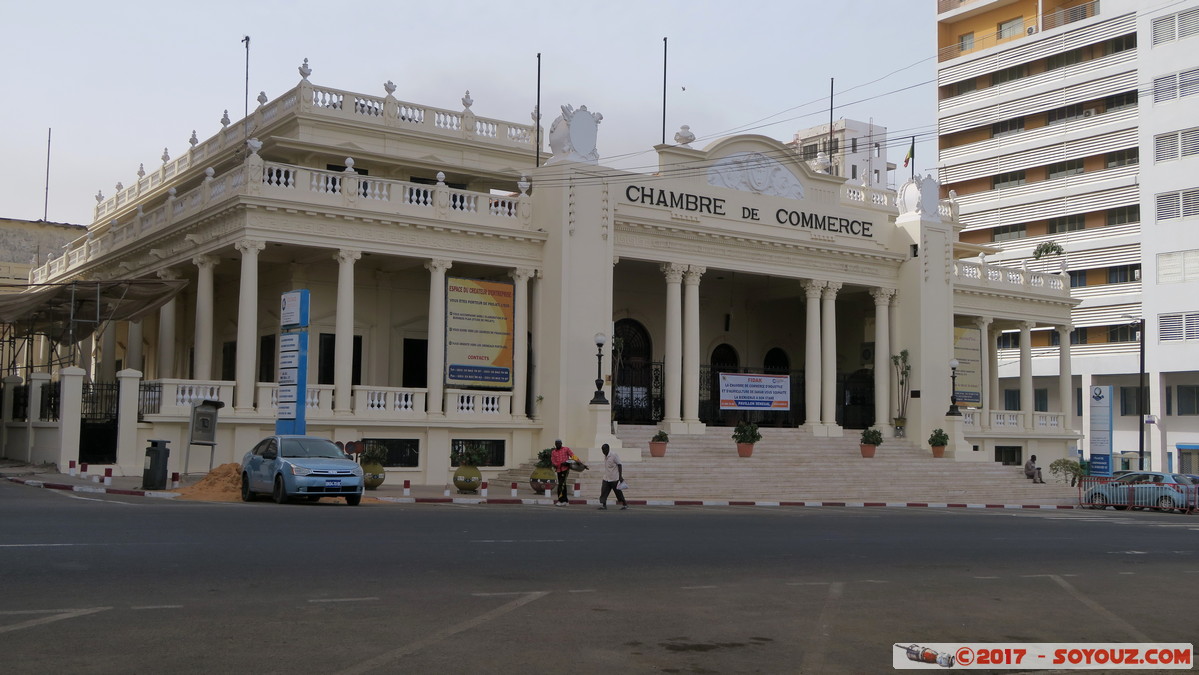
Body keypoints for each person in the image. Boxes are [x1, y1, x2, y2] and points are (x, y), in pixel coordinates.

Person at [550, 439, 583, 506]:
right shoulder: (553, 452)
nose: (558, 445)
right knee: (562, 484)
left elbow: (572, 455)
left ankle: (560, 500)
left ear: (561, 443)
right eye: (556, 444)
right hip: (559, 470)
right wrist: (559, 464)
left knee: (561, 484)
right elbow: (553, 461)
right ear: (555, 444)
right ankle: (565, 500)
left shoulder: (566, 449)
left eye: (559, 443)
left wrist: (579, 462)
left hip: (565, 469)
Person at [597, 443, 628, 510]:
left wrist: (620, 476)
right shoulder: (605, 456)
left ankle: (625, 504)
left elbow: (619, 465)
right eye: (602, 450)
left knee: (618, 493)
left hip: (614, 478)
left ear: (608, 449)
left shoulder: (614, 455)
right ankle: (604, 505)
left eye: (604, 450)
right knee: (604, 491)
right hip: (606, 478)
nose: (603, 451)